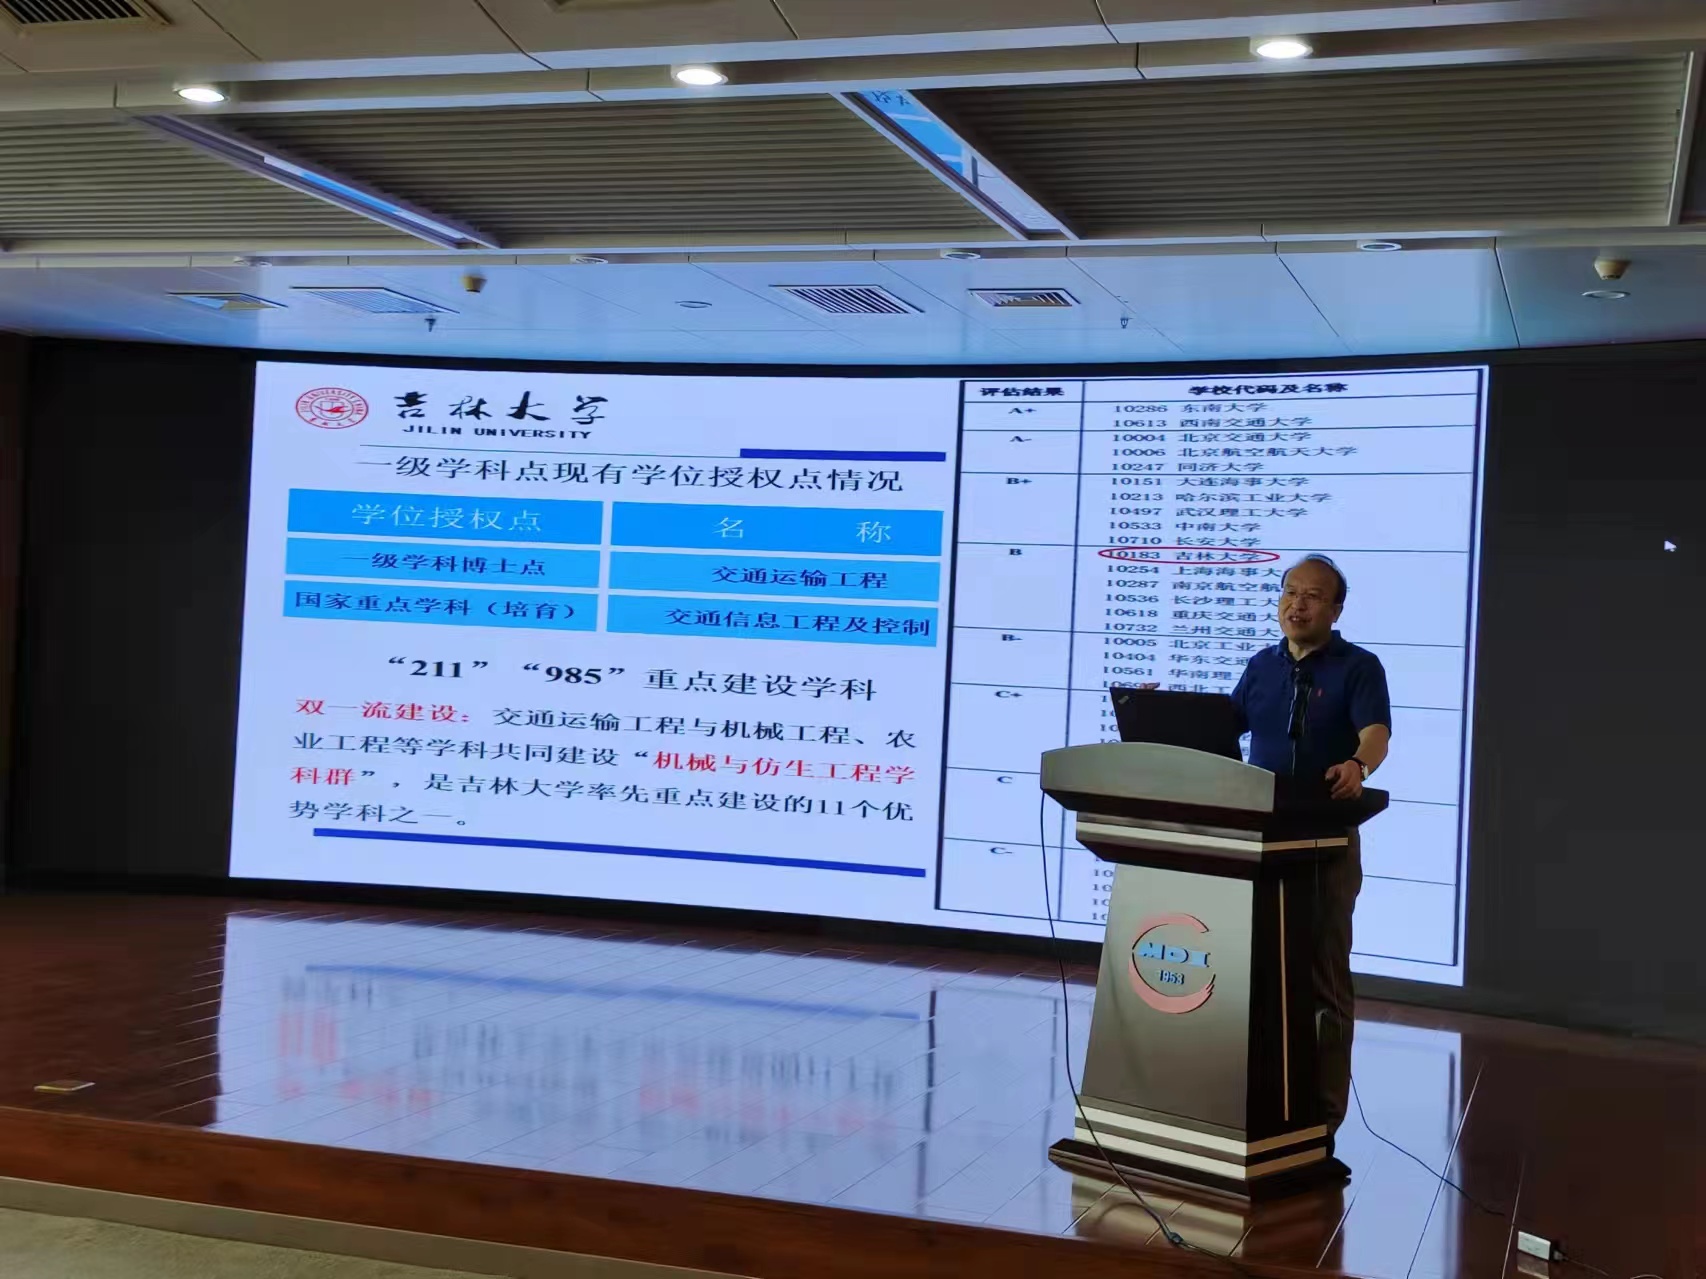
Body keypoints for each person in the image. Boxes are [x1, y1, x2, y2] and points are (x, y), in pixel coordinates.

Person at [1234, 554, 1390, 1148]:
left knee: (1323, 974)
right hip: (1256, 840)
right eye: (1289, 592)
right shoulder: (1260, 666)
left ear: (1336, 610)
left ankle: (1322, 1117)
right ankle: (1253, 1101)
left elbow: (1375, 734)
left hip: (1324, 841)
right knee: (1250, 972)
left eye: (1313, 595)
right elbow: (1220, 730)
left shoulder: (1359, 667)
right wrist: (1161, 719)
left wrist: (1357, 765)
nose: (1296, 604)